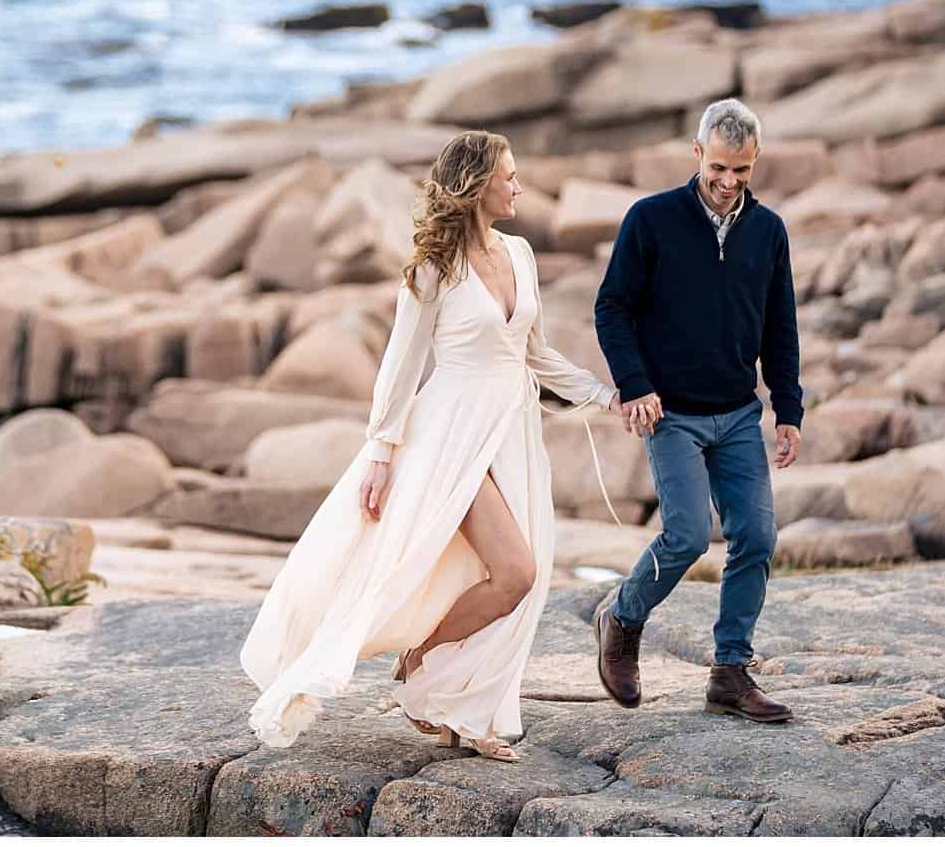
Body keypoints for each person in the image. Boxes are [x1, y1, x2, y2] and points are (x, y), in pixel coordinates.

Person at [241, 130, 620, 760]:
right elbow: (399, 366)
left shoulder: (521, 255)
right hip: (448, 437)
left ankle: (458, 706)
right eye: (509, 176)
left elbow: (536, 354)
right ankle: (420, 663)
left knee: (509, 573)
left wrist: (607, 396)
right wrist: (382, 454)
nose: (519, 186)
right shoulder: (432, 271)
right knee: (515, 573)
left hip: (512, 432)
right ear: (477, 186)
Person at [592, 97, 803, 723]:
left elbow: (780, 326)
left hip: (738, 412)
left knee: (758, 536)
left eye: (741, 170)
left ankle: (730, 672)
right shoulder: (651, 220)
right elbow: (612, 308)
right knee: (685, 534)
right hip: (670, 413)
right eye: (718, 167)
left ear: (755, 160)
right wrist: (634, 384)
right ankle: (621, 620)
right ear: (697, 154)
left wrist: (787, 408)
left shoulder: (769, 232)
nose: (728, 182)